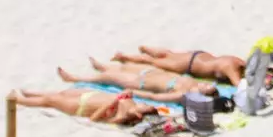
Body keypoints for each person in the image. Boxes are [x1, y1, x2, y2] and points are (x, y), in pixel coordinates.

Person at [8, 87, 171, 126]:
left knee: (50, 101)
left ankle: (19, 101)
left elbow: (93, 119)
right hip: (89, 95)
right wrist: (126, 94)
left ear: (139, 115)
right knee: (61, 93)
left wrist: (113, 102)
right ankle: (31, 94)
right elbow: (127, 91)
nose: (145, 104)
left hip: (82, 106)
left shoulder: (121, 116)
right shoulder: (132, 104)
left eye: (146, 107)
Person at [61, 59, 216, 99]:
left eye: (206, 87)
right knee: (124, 67)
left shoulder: (183, 94)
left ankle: (74, 78)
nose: (204, 84)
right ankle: (102, 66)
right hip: (151, 72)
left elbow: (155, 96)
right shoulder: (194, 82)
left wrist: (135, 93)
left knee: (107, 78)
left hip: (141, 83)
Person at [111, 46, 247, 83]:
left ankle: (147, 49)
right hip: (189, 64)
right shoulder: (232, 68)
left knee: (169, 54)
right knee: (154, 62)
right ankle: (124, 57)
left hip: (198, 56)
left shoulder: (238, 61)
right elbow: (240, 86)